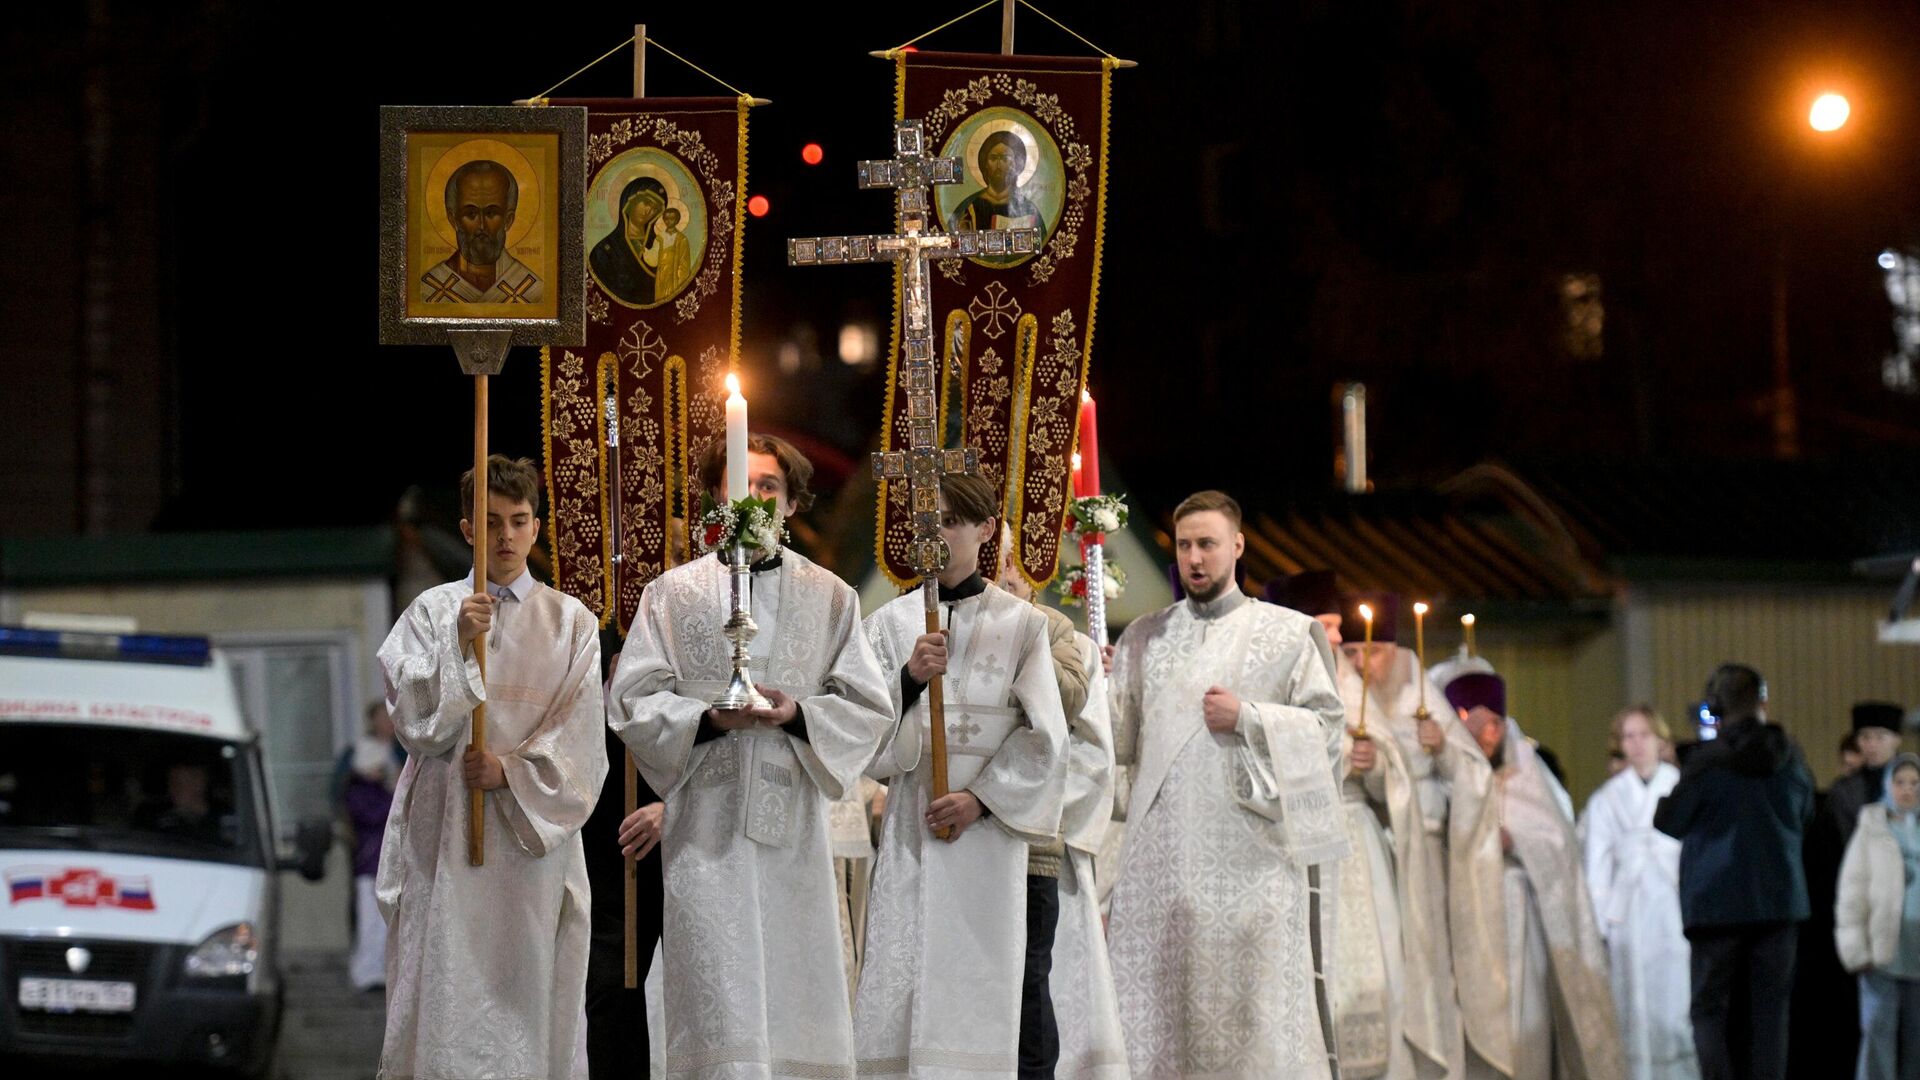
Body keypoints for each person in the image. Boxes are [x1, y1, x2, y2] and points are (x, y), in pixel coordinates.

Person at [608, 433, 894, 1079]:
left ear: (791, 503)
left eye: (770, 487)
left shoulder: (831, 597)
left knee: (793, 989)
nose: (755, 498)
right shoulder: (673, 594)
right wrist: (708, 719)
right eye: (742, 483)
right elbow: (630, 700)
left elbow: (869, 709)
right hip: (703, 833)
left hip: (793, 833)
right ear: (717, 496)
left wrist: (799, 715)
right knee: (716, 987)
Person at [374, 454, 607, 1080]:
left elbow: (583, 740)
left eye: (519, 520)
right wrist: (455, 642)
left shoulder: (571, 623)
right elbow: (412, 720)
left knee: (526, 993)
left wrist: (509, 772)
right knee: (443, 984)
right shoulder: (431, 612)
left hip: (529, 847)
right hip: (445, 835)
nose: (505, 536)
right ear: (468, 529)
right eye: (491, 521)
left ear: (536, 527)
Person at [1104, 491, 1348, 1079]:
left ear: (1237, 545)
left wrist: (1250, 718)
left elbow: (1327, 733)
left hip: (1254, 874)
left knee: (1253, 1029)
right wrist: (1090, 681)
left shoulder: (1288, 635)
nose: (1195, 558)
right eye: (1185, 545)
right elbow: (1115, 750)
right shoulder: (1142, 638)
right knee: (1162, 1033)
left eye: (1208, 544)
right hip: (1160, 876)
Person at [856, 472, 1069, 1079]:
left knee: (978, 988)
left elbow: (1046, 736)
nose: (936, 534)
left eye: (950, 521)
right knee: (903, 984)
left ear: (986, 529)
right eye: (927, 521)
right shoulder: (888, 625)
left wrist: (980, 798)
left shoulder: (1021, 625)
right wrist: (907, 680)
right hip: (911, 830)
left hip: (987, 845)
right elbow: (858, 732)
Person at [1443, 672, 1623, 1080]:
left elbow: (1557, 841)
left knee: (1527, 1026)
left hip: (1518, 917)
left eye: (1494, 724)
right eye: (1476, 724)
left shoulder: (1526, 774)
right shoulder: (1445, 775)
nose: (1488, 736)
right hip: (1463, 918)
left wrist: (1517, 841)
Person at [1319, 588, 1459, 1080]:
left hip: (1405, 849)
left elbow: (1456, 773)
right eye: (1351, 650)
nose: (1358, 661)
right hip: (1342, 842)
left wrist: (1432, 750)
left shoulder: (1410, 692)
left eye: (1370, 650)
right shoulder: (1332, 684)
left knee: (1400, 960)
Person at [1654, 663, 1815, 1080]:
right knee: (1770, 1015)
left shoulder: (1707, 761)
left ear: (1715, 708)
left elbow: (1670, 821)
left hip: (1715, 903)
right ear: (1763, 702)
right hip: (1779, 901)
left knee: (1710, 1011)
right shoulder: (1791, 756)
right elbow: (1806, 813)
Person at [994, 531, 1113, 1079]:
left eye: (1011, 560)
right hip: (960, 839)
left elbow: (1087, 745)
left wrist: (1027, 801)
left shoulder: (1063, 635)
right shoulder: (945, 626)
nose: (1002, 573)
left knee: (1031, 984)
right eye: (994, 560)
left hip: (1038, 844)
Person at [1580, 706, 1700, 1080]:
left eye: (1643, 735)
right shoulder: (1607, 799)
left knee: (1676, 1001)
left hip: (1672, 905)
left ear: (1659, 739)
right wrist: (1600, 924)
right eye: (1628, 737)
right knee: (1632, 1002)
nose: (1636, 744)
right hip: (1628, 912)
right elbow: (1597, 864)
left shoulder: (1681, 787)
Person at [580, 627, 665, 1078]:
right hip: (612, 852)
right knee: (612, 989)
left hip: (696, 842)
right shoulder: (592, 669)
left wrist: (674, 808)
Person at [1838, 752, 1920, 1080]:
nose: (1907, 789)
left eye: (1914, 783)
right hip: (1882, 952)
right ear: (1888, 784)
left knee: (1916, 1041)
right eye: (1900, 782)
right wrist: (1856, 949)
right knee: (1877, 1034)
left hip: (1918, 952)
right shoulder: (1871, 829)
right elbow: (1852, 892)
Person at [419, 160, 544, 303]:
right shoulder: (428, 290)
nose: (482, 226)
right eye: (471, 214)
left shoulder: (533, 291)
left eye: (491, 213)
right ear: (454, 220)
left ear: (508, 220)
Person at [344, 703, 402, 992]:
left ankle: (380, 970)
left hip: (390, 858)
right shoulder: (361, 791)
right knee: (370, 919)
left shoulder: (398, 755)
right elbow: (372, 815)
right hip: (371, 859)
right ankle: (366, 970)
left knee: (386, 920)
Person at [948, 129, 1049, 241]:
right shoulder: (969, 207)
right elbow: (951, 241)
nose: (998, 164)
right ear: (985, 164)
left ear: (1015, 164)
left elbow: (1041, 243)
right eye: (993, 158)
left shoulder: (1028, 209)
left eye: (1005, 158)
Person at [1833, 703, 1911, 848]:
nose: (1872, 744)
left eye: (1880, 737)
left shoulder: (1914, 782)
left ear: (1897, 739)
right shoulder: (1844, 789)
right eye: (1865, 737)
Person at [589, 175, 670, 306]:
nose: (649, 211)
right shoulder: (605, 248)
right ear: (630, 201)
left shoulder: (659, 244)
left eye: (655, 208)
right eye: (646, 203)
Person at [654, 206, 695, 298]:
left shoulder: (682, 239)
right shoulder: (659, 237)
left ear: (677, 220)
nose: (668, 221)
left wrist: (680, 279)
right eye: (666, 219)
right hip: (661, 274)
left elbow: (684, 262)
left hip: (673, 275)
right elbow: (654, 256)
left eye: (672, 219)